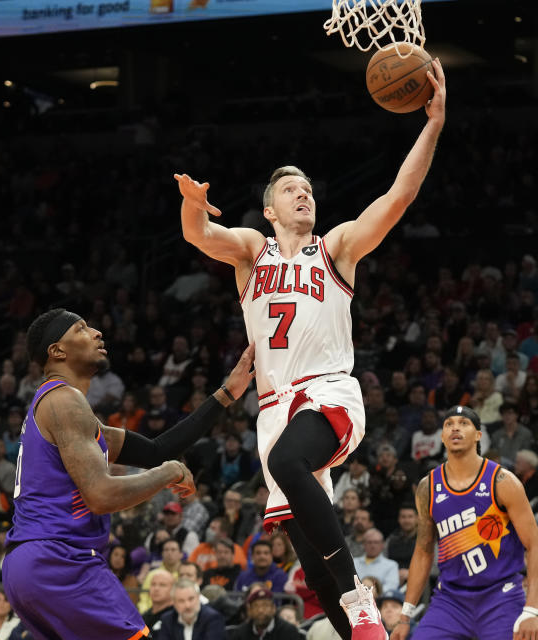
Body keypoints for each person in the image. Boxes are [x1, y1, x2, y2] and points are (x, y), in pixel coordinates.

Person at [176, 57, 446, 640]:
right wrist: (194, 202)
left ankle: (362, 597)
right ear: (270, 211)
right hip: (273, 410)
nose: (305, 194)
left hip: (327, 393)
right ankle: (355, 621)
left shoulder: (337, 249)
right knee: (311, 566)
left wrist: (432, 124)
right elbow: (197, 235)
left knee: (287, 466)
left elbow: (398, 197)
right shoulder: (253, 251)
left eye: (309, 189)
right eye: (290, 190)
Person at [2, 309, 254, 640]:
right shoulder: (64, 402)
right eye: (81, 329)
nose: (96, 333)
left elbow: (155, 450)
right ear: (57, 351)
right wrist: (171, 472)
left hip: (28, 563)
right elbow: (101, 495)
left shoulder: (64, 410)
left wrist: (227, 393)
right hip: (59, 559)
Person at [392, 405, 538, 640]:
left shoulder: (503, 481)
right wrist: (405, 617)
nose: (455, 427)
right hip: (450, 601)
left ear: (478, 435)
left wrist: (531, 609)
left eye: (464, 423)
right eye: (449, 424)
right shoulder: (428, 487)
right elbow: (423, 552)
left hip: (501, 597)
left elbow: (536, 546)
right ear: (443, 437)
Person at [155, 578, 225, 640]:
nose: (187, 605)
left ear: (198, 597)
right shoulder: (167, 620)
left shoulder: (213, 618)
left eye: (191, 599)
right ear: (174, 603)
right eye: (181, 601)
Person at [226, 588, 300, 640]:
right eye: (256, 606)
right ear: (250, 610)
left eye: (265, 605)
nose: (260, 610)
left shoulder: (288, 631)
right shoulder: (240, 633)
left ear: (273, 608)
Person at [353, 529, 399, 594]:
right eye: (369, 542)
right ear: (364, 544)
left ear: (382, 545)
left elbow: (391, 587)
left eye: (376, 542)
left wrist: (371, 593)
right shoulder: (354, 562)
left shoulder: (392, 565)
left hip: (378, 601)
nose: (373, 546)